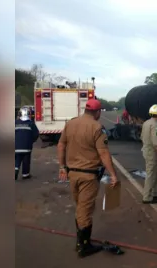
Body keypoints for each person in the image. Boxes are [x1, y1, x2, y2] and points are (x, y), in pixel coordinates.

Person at [57, 99, 119, 258]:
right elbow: (103, 153)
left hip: (72, 174)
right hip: (88, 175)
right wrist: (113, 175)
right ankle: (84, 247)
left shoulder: (71, 123)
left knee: (80, 207)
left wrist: (62, 166)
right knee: (85, 210)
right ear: (98, 112)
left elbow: (61, 145)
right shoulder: (97, 127)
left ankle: (81, 241)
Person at [140, 104, 157, 204]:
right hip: (152, 151)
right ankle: (147, 197)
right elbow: (156, 141)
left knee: (156, 172)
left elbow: (141, 137)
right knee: (151, 174)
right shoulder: (155, 125)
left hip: (146, 149)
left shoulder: (146, 123)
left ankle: (155, 192)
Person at [15, 107, 40, 180]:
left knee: (17, 159)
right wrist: (31, 141)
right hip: (27, 147)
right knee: (26, 160)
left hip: (16, 147)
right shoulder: (31, 123)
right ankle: (25, 174)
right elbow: (36, 134)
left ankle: (15, 170)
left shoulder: (15, 123)